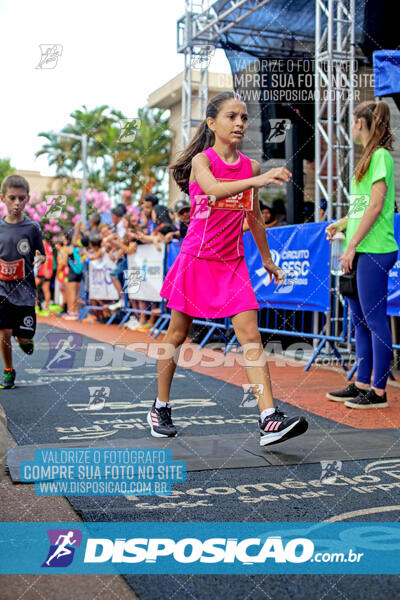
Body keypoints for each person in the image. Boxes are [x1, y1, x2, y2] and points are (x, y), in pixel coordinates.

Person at [148, 91, 308, 446]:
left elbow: (252, 217)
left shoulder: (250, 167)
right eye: (231, 117)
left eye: (244, 118)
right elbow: (215, 190)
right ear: (212, 123)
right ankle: (160, 406)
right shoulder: (202, 162)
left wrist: (267, 259)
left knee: (250, 335)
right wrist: (259, 181)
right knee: (177, 336)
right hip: (197, 260)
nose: (239, 123)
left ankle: (268, 418)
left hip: (232, 263)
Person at [326, 100, 397, 409]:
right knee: (360, 321)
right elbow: (360, 209)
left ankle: (379, 392)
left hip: (375, 248)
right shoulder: (365, 160)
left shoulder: (380, 156)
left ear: (361, 124)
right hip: (361, 247)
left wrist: (351, 244)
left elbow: (377, 206)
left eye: (354, 122)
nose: (352, 127)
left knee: (374, 319)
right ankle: (361, 383)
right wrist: (340, 224)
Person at [0, 175, 45, 389]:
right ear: (3, 198)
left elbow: (42, 252)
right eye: (12, 198)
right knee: (4, 332)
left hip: (25, 291)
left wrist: (41, 257)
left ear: (27, 199)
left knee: (23, 339)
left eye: (21, 198)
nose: (16, 203)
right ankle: (8, 370)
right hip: (2, 289)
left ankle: (25, 339)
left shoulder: (32, 228)